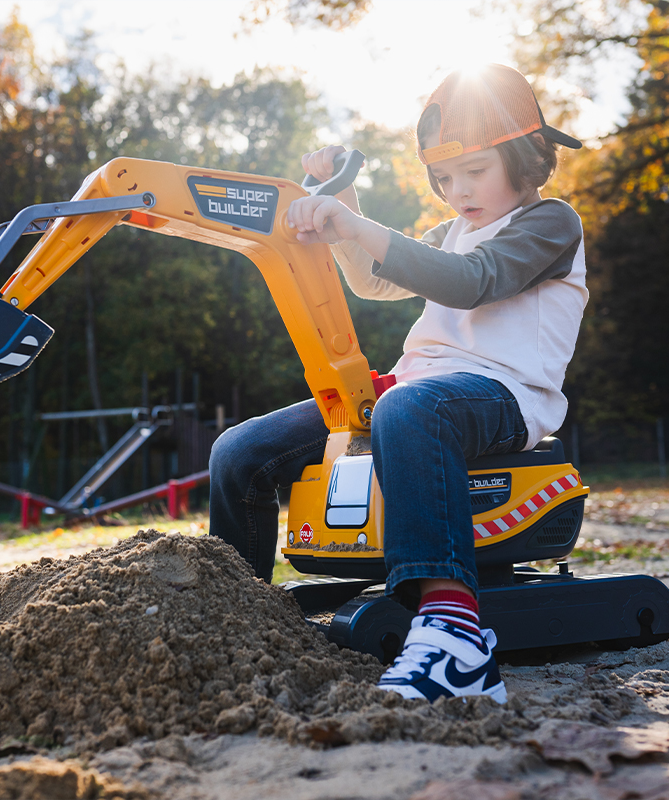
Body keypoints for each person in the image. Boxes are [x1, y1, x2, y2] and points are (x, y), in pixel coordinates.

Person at [209, 63, 587, 703]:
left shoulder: (550, 223)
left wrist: (355, 225)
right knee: (239, 451)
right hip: (413, 393)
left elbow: (471, 281)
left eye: (474, 171)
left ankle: (456, 636)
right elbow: (374, 280)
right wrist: (346, 210)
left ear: (525, 156)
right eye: (444, 177)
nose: (457, 191)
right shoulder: (455, 231)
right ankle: (232, 617)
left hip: (503, 396)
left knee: (410, 410)